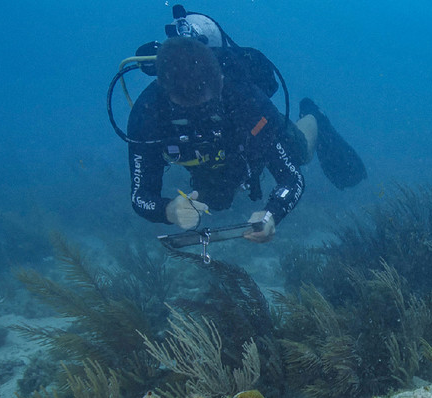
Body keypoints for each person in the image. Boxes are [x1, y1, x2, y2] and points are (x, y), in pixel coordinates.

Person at [125, 9, 365, 243]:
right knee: (218, 201)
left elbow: (292, 178)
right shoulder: (147, 114)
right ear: (164, 89)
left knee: (300, 152)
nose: (198, 114)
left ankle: (313, 115)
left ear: (219, 80)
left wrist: (272, 214)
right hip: (212, 156)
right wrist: (168, 210)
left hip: (247, 135)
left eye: (205, 102)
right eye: (185, 105)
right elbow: (141, 196)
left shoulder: (245, 98)